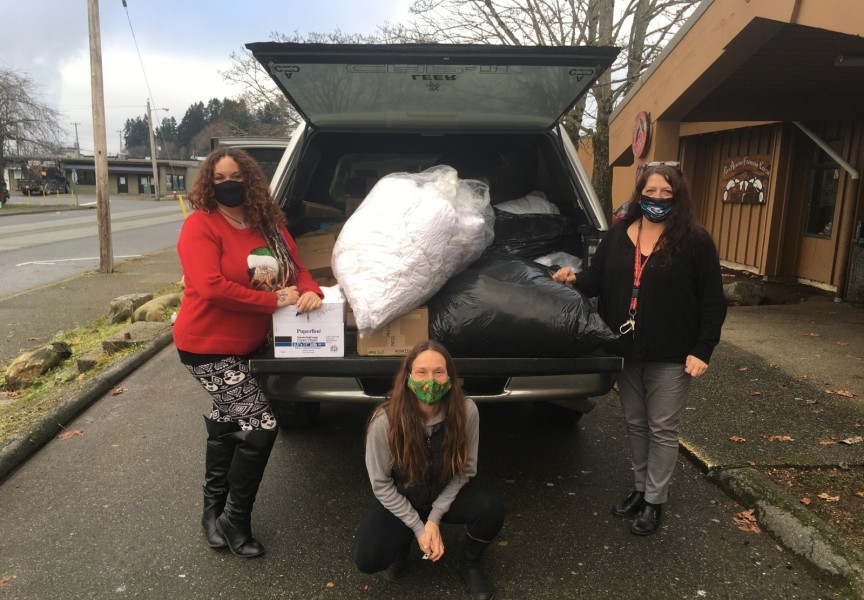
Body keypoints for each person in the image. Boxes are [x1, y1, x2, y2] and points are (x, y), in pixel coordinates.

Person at [553, 162, 726, 535]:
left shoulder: (695, 240)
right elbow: (595, 279)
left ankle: (654, 501)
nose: (658, 199)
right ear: (640, 194)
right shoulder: (619, 234)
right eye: (651, 192)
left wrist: (703, 349)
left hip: (673, 354)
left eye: (666, 192)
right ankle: (639, 487)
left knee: (662, 428)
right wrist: (572, 279)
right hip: (627, 350)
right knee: (635, 423)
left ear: (677, 195)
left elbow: (713, 301)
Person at [173, 147, 323, 558]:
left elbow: (299, 269)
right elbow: (210, 286)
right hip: (205, 345)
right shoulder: (200, 226)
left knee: (226, 422)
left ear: (251, 179)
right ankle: (234, 520)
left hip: (248, 348)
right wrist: (273, 301)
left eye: (235, 175)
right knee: (261, 426)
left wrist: (310, 291)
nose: (228, 184)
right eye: (219, 179)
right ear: (208, 184)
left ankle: (212, 513)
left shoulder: (268, 225)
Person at [352, 340, 504, 600]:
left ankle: (469, 562)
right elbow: (381, 484)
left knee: (492, 509)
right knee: (368, 558)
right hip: (404, 495)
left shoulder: (466, 411)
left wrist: (434, 518)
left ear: (450, 377)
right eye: (422, 372)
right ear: (408, 376)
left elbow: (466, 470)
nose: (430, 381)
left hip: (444, 492)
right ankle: (403, 545)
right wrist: (419, 528)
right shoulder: (385, 420)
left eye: (438, 372)